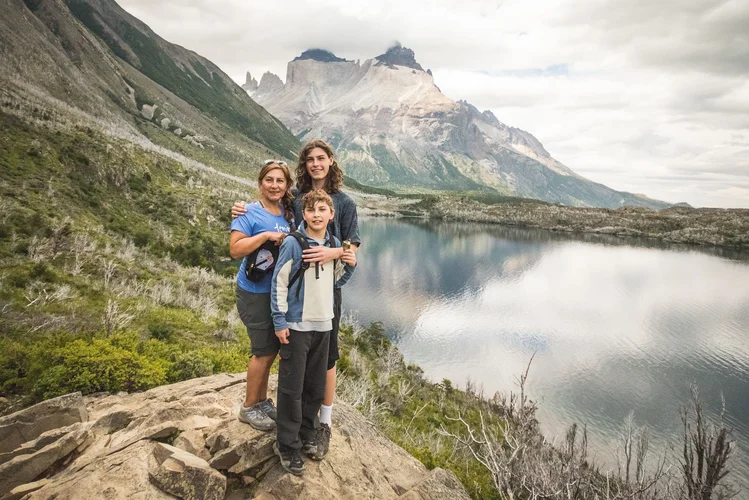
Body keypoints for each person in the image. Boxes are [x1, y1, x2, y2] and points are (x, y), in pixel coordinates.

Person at [232, 140, 360, 458]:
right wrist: (241, 208)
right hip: (293, 291)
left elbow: (351, 249)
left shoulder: (345, 203)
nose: (316, 164)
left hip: (328, 290)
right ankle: (278, 415)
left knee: (325, 356)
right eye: (310, 159)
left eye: (321, 158)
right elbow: (270, 208)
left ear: (331, 161)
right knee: (286, 353)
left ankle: (322, 423)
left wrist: (333, 252)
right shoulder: (298, 198)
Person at [270, 189, 356, 475]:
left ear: (331, 214)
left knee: (315, 386)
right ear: (303, 214)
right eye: (311, 210)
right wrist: (280, 321)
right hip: (297, 326)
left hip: (324, 326)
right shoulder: (294, 243)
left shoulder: (333, 243)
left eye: (322, 210)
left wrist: (350, 266)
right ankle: (287, 444)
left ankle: (307, 432)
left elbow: (337, 279)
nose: (317, 215)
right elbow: (279, 283)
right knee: (291, 388)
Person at [229, 160, 294, 430]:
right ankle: (248, 408)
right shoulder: (249, 212)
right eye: (270, 180)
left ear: (287, 186)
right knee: (262, 352)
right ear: (260, 183)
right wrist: (265, 235)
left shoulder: (288, 213)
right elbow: (235, 249)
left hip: (277, 294)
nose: (275, 185)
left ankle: (262, 401)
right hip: (255, 291)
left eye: (280, 181)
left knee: (271, 350)